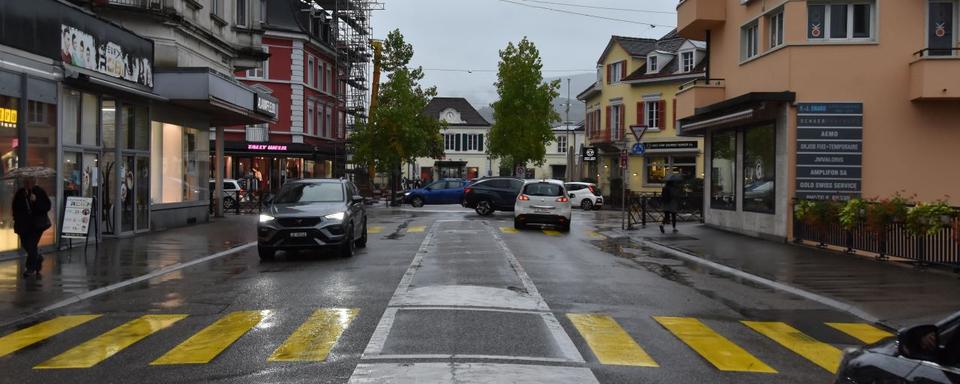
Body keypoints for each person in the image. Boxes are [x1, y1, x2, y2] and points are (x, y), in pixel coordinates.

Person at [13, 177, 51, 277]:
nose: (27, 184)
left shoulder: (39, 191)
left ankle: (30, 268)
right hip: (23, 225)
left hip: (37, 225)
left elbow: (47, 207)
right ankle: (37, 258)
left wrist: (35, 201)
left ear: (34, 182)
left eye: (29, 182)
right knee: (26, 244)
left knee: (32, 245)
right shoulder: (20, 192)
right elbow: (15, 206)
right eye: (25, 182)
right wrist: (16, 218)